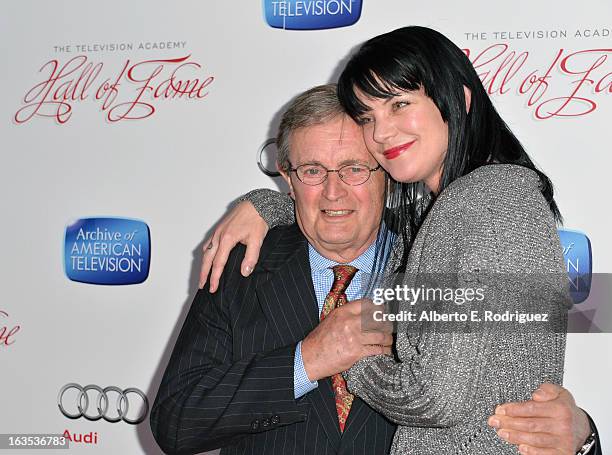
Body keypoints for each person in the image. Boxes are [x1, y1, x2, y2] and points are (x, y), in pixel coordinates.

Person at [197, 26, 601, 454]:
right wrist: (266, 203)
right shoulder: (473, 205)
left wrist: (351, 353)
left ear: (458, 101)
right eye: (368, 118)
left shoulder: (477, 203)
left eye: (399, 104)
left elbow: (435, 398)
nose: (382, 133)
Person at [150, 84, 398, 454]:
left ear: (387, 172)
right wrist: (304, 362)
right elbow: (177, 421)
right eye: (313, 170)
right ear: (287, 176)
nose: (334, 191)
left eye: (354, 169)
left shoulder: (434, 259)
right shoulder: (242, 265)